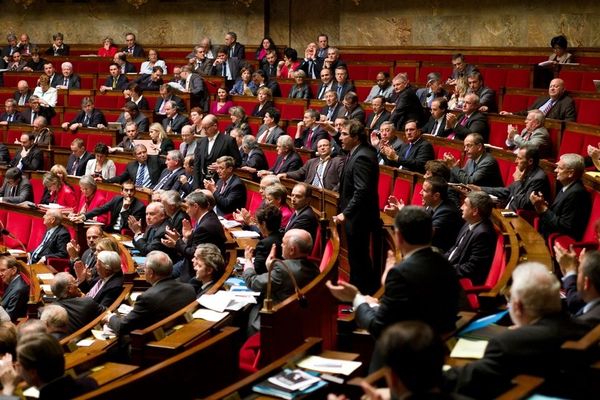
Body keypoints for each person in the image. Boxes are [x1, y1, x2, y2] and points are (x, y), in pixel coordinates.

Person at [444, 262, 587, 399]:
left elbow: (467, 380)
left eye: (509, 301)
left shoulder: (509, 343)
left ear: (517, 306)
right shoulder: (584, 327)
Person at [327, 206, 460, 338]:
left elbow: (378, 327)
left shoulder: (400, 274)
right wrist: (375, 303)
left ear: (399, 237)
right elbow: (415, 310)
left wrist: (357, 298)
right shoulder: (446, 265)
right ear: (432, 232)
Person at [334, 120, 380, 294]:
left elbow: (362, 191)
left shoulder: (363, 156)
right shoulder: (356, 152)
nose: (340, 137)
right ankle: (357, 295)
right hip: (356, 217)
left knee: (359, 260)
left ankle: (362, 297)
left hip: (360, 218)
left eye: (344, 134)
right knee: (356, 259)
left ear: (356, 137)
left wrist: (345, 213)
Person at [244, 229, 319, 333]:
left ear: (292, 250)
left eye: (284, 243)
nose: (281, 246)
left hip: (276, 319)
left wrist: (248, 263)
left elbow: (253, 282)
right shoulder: (314, 267)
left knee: (244, 312)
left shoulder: (282, 269)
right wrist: (271, 267)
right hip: (299, 317)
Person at [105, 251, 196, 335]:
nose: (143, 270)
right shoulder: (189, 288)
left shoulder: (147, 297)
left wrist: (110, 317)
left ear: (151, 273)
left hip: (151, 341)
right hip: (180, 334)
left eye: (144, 268)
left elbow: (122, 327)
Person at [0, 333, 98, 398]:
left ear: (33, 372)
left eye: (19, 362)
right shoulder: (90, 383)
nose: (16, 365)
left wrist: (8, 387)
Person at [163, 191, 226, 282]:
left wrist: (177, 242)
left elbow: (193, 253)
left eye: (188, 207)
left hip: (195, 270)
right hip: (187, 264)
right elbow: (195, 246)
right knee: (162, 274)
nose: (187, 211)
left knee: (163, 281)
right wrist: (187, 237)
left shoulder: (205, 227)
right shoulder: (208, 217)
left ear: (196, 207)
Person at [530, 153, 591, 240]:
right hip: (547, 234)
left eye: (560, 168)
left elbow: (565, 227)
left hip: (559, 241)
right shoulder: (567, 187)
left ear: (570, 173)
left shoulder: (576, 193)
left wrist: (544, 209)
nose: (555, 170)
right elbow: (558, 214)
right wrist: (543, 205)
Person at [473, 146, 551, 211]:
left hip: (518, 219)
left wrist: (517, 181)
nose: (515, 161)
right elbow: (507, 191)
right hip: (507, 210)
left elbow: (523, 204)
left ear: (530, 161)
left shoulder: (538, 178)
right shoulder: (525, 172)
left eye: (519, 158)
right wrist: (480, 189)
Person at [446, 191, 497, 285]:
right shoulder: (469, 222)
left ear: (475, 211)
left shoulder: (483, 234)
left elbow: (471, 268)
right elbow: (455, 248)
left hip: (459, 281)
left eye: (465, 204)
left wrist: (444, 270)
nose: (461, 207)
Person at [194, 114, 243, 185]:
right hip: (203, 183)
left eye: (206, 128)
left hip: (220, 183)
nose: (204, 131)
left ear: (215, 126)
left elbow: (238, 162)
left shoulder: (228, 140)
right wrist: (196, 186)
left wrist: (221, 166)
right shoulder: (200, 142)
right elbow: (196, 165)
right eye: (203, 128)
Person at [81, 181, 146, 234]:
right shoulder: (117, 199)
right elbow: (101, 209)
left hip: (125, 233)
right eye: (126, 190)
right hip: (111, 230)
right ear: (122, 192)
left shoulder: (139, 207)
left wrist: (125, 209)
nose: (129, 193)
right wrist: (84, 216)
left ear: (134, 192)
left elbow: (129, 226)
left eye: (131, 190)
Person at [500, 78, 576, 121]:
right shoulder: (542, 99)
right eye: (551, 86)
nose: (552, 88)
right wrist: (511, 114)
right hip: (530, 125)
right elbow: (528, 112)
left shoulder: (567, 102)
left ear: (563, 90)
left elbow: (569, 122)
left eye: (556, 86)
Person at [244, 205, 283, 275]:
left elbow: (257, 270)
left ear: (264, 224)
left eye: (257, 224)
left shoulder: (264, 244)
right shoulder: (282, 236)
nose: (257, 226)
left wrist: (248, 259)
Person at [0, 257, 30, 322]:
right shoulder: (14, 282)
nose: (0, 274)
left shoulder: (18, 290)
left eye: (3, 270)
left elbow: (8, 318)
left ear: (14, 270)